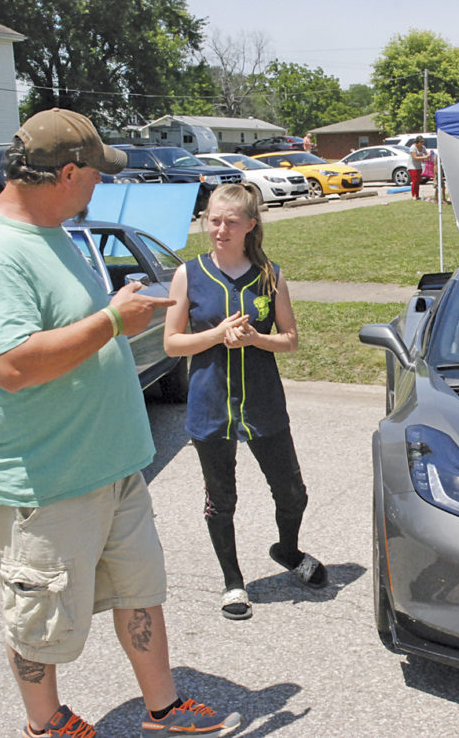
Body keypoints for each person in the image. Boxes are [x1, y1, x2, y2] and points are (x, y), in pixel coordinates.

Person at [0, 108, 243, 738]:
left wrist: (116, 312)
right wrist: (113, 322)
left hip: (110, 467)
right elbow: (12, 366)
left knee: (140, 592)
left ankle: (164, 710)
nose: (101, 184)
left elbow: (65, 328)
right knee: (38, 621)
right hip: (46, 481)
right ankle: (46, 723)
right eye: (96, 173)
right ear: (68, 173)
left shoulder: (50, 230)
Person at [163, 183, 327, 623]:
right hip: (210, 405)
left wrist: (256, 338)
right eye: (214, 220)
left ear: (250, 225)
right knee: (221, 499)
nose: (220, 230)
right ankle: (233, 581)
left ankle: (288, 551)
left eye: (231, 222)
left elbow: (290, 340)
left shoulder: (270, 275)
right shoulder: (189, 274)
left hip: (263, 404)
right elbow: (172, 343)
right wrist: (216, 335)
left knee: (291, 492)